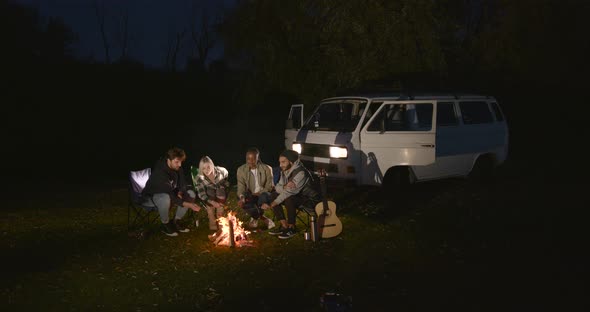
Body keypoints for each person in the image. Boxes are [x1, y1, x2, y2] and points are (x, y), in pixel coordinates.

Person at [142, 147, 202, 237]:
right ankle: (165, 224)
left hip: (169, 193)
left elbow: (182, 183)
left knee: (191, 193)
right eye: (177, 161)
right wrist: (189, 205)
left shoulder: (177, 168)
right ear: (168, 160)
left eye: (181, 161)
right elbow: (170, 195)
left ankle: (176, 221)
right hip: (150, 197)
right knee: (165, 197)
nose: (180, 164)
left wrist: (180, 192)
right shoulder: (160, 172)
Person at [261, 150, 320, 239]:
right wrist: (285, 186)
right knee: (274, 195)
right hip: (296, 197)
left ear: (291, 161)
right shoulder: (285, 170)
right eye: (280, 162)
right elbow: (278, 187)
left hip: (309, 200)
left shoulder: (301, 173)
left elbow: (289, 192)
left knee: (289, 198)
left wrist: (271, 204)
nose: (280, 165)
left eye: (283, 162)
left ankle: (292, 228)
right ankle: (284, 226)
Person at [236, 147, 276, 229]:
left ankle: (254, 218)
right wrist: (242, 197)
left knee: (263, 196)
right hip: (251, 194)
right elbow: (241, 186)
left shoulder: (267, 169)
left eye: (253, 159)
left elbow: (269, 186)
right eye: (248, 159)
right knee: (244, 201)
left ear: (258, 158)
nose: (250, 161)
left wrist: (259, 193)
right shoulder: (241, 170)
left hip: (264, 194)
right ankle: (264, 219)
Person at [194, 156, 230, 232]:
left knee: (220, 191)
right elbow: (201, 194)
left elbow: (226, 176)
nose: (206, 170)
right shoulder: (199, 178)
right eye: (203, 168)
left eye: (208, 167)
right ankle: (212, 219)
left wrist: (224, 184)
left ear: (212, 165)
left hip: (220, 192)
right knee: (210, 191)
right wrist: (212, 202)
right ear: (201, 169)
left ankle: (220, 218)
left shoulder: (221, 171)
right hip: (209, 196)